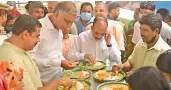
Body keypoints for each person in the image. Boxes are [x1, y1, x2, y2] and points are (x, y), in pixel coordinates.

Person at [0, 14, 73, 90]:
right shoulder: (12, 58)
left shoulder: (21, 50)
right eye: (37, 36)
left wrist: (53, 85)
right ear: (25, 34)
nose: (38, 40)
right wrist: (57, 83)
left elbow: (34, 81)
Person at [32, 1, 77, 82]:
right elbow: (30, 59)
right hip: (43, 82)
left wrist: (64, 61)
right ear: (56, 14)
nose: (68, 26)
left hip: (58, 79)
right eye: (67, 21)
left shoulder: (59, 29)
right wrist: (59, 63)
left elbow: (57, 54)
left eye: (71, 23)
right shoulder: (38, 27)